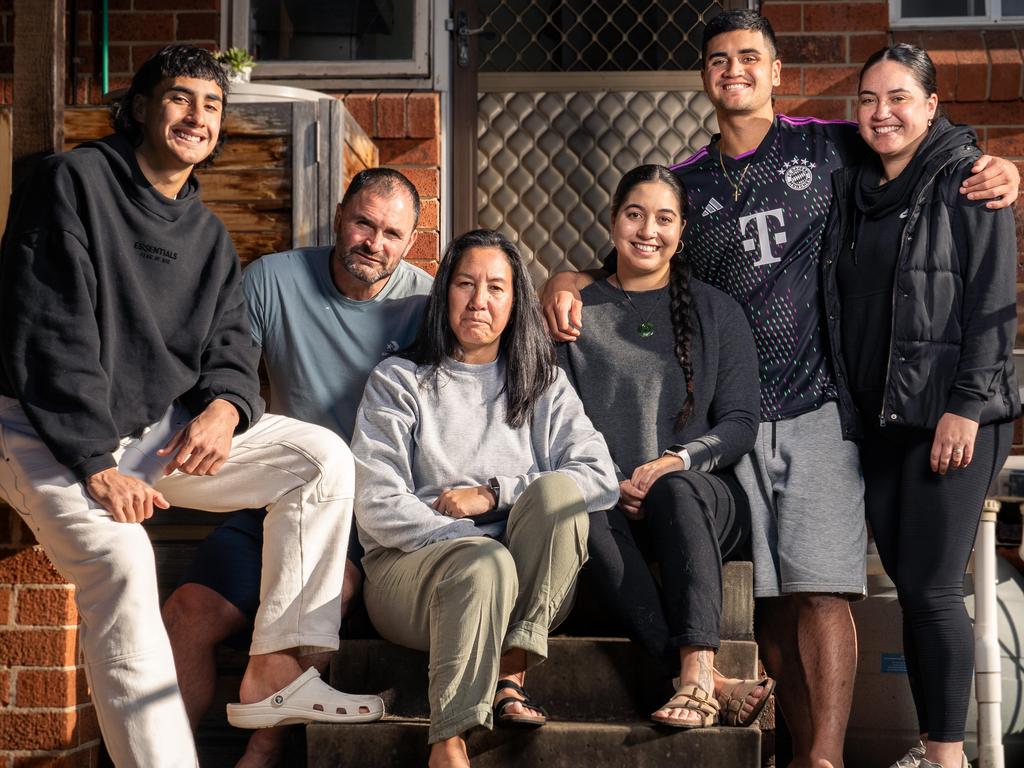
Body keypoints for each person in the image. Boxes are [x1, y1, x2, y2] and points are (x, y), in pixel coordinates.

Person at [540, 10, 1020, 768]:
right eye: (719, 58)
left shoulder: (828, 146)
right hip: (728, 413)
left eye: (749, 57)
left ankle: (823, 758)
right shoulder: (687, 181)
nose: (734, 69)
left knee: (823, 591)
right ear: (705, 75)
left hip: (819, 404)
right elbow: (632, 253)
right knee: (765, 596)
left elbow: (915, 146)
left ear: (775, 70)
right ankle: (790, 751)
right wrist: (565, 277)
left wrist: (990, 163)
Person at [0, 45, 381, 768]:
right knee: (123, 561)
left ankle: (276, 670)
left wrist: (228, 409)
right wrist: (91, 465)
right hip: (42, 433)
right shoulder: (71, 183)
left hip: (148, 435)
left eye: (211, 106)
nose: (197, 116)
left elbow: (231, 343)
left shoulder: (205, 233)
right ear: (141, 107)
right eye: (180, 99)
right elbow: (49, 337)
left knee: (318, 458)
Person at [161, 166, 432, 767]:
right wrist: (224, 410)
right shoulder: (271, 280)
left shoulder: (425, 304)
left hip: (369, 513)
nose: (373, 242)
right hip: (278, 492)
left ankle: (259, 754)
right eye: (364, 222)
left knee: (327, 594)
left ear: (410, 241)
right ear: (340, 215)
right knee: (184, 614)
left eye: (391, 233)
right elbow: (223, 364)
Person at [351, 229, 619, 768]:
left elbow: (601, 475)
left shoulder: (542, 383)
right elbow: (376, 500)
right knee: (484, 562)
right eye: (466, 284)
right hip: (414, 574)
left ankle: (510, 670)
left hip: (526, 583)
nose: (479, 301)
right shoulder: (400, 380)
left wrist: (495, 496)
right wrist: (469, 540)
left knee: (558, 490)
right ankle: (447, 741)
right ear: (444, 292)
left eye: (496, 288)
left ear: (515, 301)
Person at [822, 44, 1019, 768]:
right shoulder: (854, 186)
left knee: (934, 588)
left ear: (932, 105)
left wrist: (966, 406)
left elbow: (994, 302)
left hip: (954, 417)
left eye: (899, 97)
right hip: (882, 422)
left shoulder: (968, 180)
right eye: (868, 99)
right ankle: (934, 746)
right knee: (913, 589)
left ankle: (947, 758)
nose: (881, 112)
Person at [558, 164, 774, 729]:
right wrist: (612, 479)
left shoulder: (717, 311)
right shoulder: (576, 313)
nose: (647, 230)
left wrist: (672, 462)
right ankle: (704, 685)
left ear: (681, 231)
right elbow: (555, 423)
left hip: (700, 499)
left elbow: (739, 423)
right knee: (579, 505)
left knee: (676, 490)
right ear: (612, 222)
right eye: (634, 214)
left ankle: (700, 667)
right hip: (611, 500)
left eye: (664, 218)